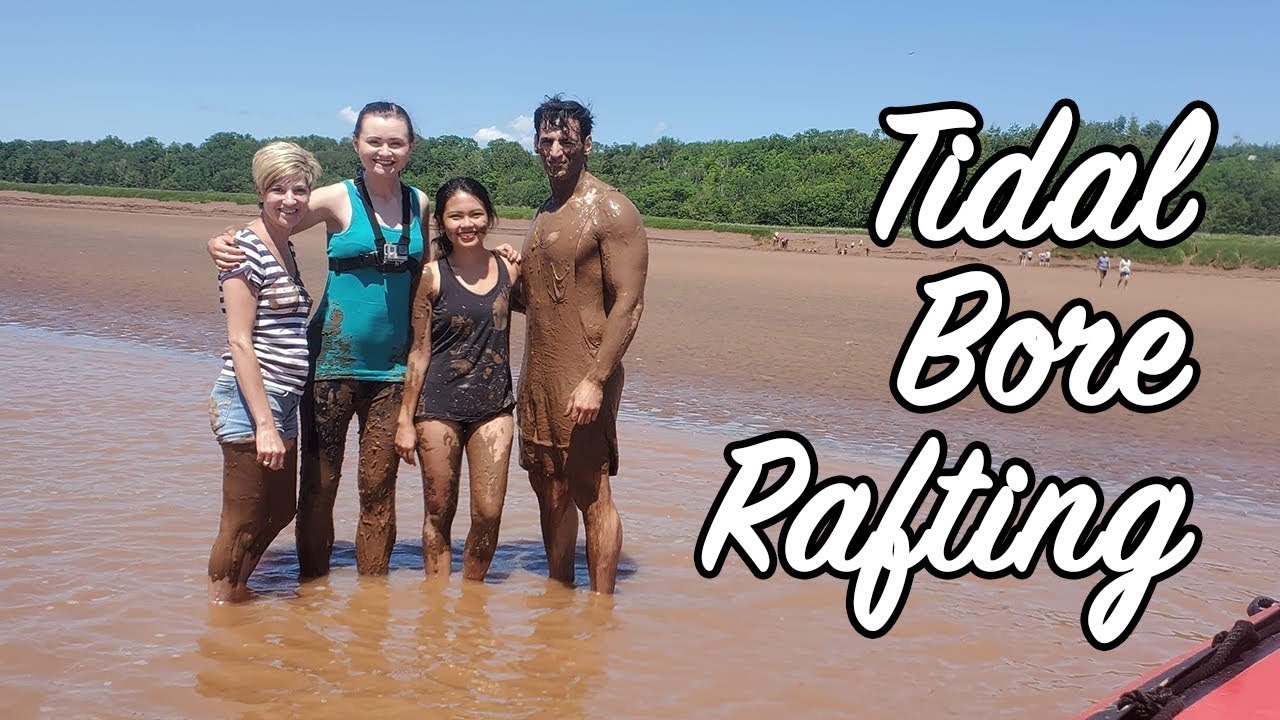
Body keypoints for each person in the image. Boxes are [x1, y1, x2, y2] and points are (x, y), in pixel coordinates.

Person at [208, 102, 429, 578]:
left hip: (391, 371)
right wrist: (222, 239)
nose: (384, 151)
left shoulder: (420, 204)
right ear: (356, 143)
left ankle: (372, 597)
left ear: (410, 147)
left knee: (378, 488)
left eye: (395, 142)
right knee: (319, 486)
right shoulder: (333, 198)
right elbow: (274, 219)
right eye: (374, 141)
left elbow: (433, 270)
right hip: (328, 365)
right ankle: (312, 593)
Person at [516, 96, 649, 594]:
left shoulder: (612, 209)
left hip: (585, 374)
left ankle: (601, 604)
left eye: (566, 139)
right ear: (535, 144)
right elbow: (537, 299)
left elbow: (630, 304)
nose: (556, 149)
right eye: (546, 140)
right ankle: (558, 594)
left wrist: (595, 380)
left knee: (591, 491)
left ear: (586, 144)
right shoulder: (545, 211)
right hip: (539, 374)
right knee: (548, 489)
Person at [207, 141, 322, 602]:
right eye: (278, 189)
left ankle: (237, 591)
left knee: (280, 511)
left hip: (284, 400)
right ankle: (221, 610)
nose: (290, 200)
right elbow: (239, 341)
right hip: (250, 401)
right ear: (260, 190)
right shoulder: (244, 250)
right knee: (242, 518)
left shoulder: (286, 246)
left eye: (299, 190)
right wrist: (265, 425)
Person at [394, 177, 520, 581]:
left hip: (494, 408)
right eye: (456, 216)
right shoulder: (431, 276)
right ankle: (436, 601)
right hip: (438, 408)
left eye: (476, 214)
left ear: (490, 217)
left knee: (488, 512)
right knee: (439, 510)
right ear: (443, 223)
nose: (468, 224)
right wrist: (404, 421)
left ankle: (472, 595)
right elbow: (418, 352)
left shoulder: (509, 269)